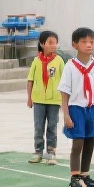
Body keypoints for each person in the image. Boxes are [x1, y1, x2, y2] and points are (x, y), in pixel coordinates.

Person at [58, 27, 94, 187]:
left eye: (92, 42)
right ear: (75, 44)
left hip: (93, 109)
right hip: (76, 109)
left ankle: (85, 176)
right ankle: (74, 178)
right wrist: (66, 114)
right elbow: (64, 92)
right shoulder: (70, 67)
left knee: (90, 142)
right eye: (84, 42)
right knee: (78, 144)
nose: (89, 45)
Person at [27, 30, 65, 165]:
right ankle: (38, 151)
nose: (53, 45)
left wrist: (65, 99)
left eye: (55, 43)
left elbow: (64, 80)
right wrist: (29, 98)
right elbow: (30, 80)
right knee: (38, 126)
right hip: (38, 100)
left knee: (52, 127)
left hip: (54, 100)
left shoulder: (59, 60)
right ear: (42, 44)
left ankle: (51, 152)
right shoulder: (36, 61)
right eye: (50, 42)